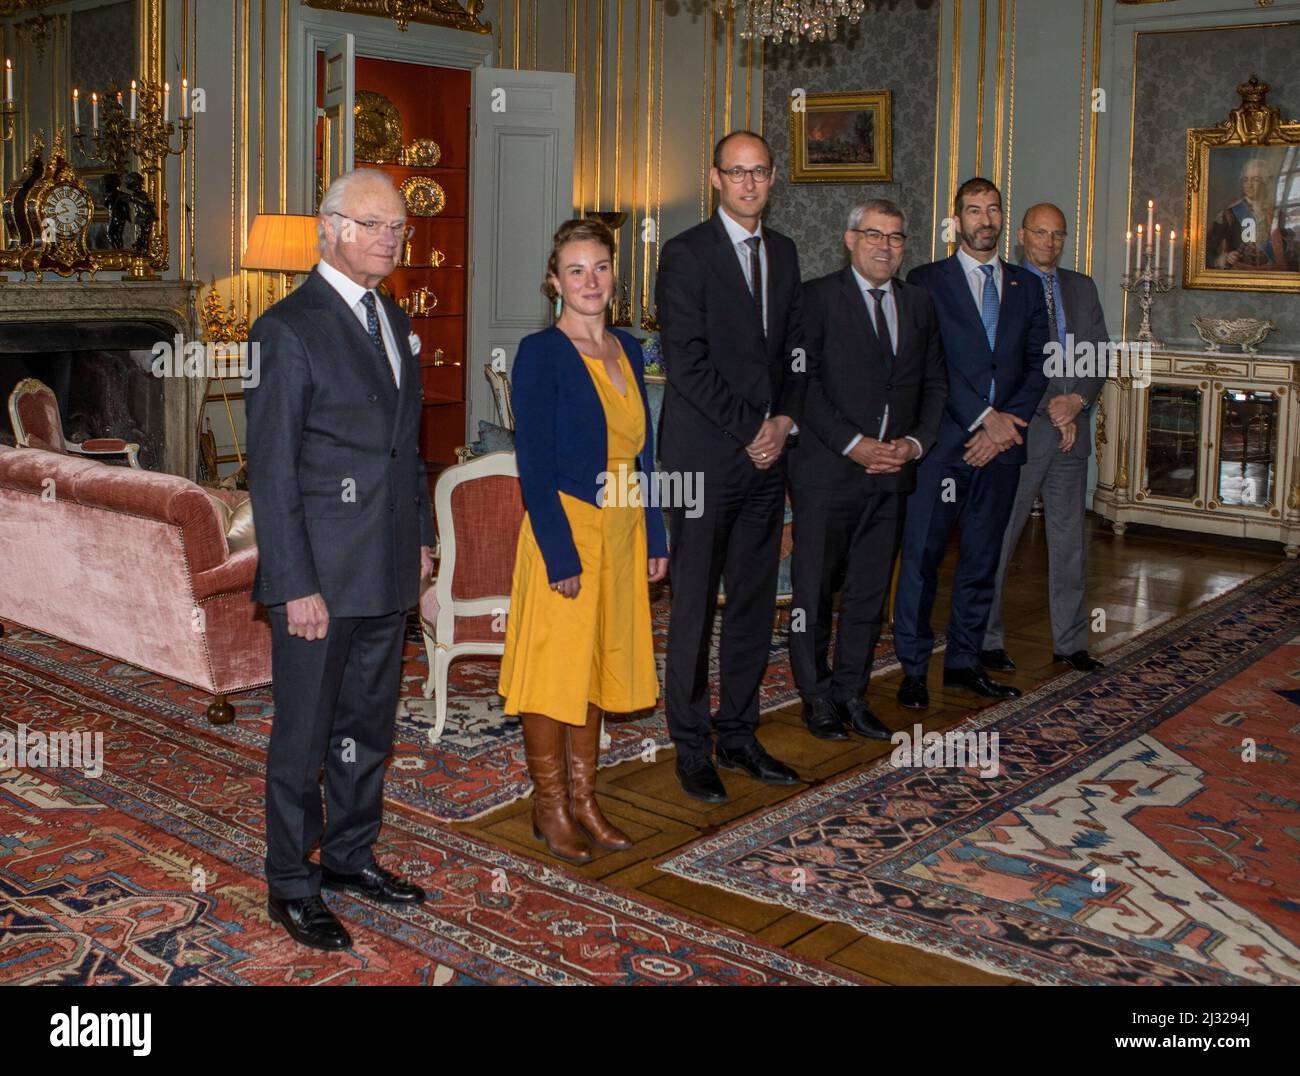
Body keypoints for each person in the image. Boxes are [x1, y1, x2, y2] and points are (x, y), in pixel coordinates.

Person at [246, 169, 435, 951]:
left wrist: (422, 536)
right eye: (376, 224)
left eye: (399, 228)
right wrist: (293, 585)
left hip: (387, 567)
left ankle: (351, 857)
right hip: (319, 580)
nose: (392, 238)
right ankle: (291, 883)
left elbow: (407, 448)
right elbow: (271, 467)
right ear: (331, 229)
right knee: (304, 736)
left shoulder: (391, 316)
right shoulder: (285, 328)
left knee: (368, 726)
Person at [499, 218, 669, 863]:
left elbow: (643, 451)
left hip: (625, 529)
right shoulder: (541, 352)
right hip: (566, 527)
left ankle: (585, 799)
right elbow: (533, 464)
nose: (590, 280)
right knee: (554, 671)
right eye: (576, 270)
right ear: (554, 281)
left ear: (613, 274)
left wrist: (656, 532)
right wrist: (560, 553)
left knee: (597, 664)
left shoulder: (629, 344)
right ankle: (549, 806)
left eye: (600, 267)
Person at [655, 130, 805, 803]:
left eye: (760, 172)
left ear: (773, 179)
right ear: (714, 178)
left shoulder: (785, 253)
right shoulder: (686, 255)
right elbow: (685, 364)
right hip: (702, 460)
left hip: (765, 461)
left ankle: (739, 733)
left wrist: (783, 423)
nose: (748, 183)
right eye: (735, 172)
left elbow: (797, 356)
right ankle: (691, 747)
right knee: (693, 608)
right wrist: (751, 428)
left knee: (750, 603)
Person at [788, 198, 947, 740]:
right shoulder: (814, 299)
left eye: (896, 237)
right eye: (874, 234)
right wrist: (852, 443)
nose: (885, 246)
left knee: (867, 592)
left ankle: (851, 693)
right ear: (850, 239)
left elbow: (935, 385)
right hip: (827, 472)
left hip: (892, 475)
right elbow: (802, 385)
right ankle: (815, 696)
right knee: (814, 592)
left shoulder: (920, 304)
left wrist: (916, 444)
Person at [893, 177, 1049, 710]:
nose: (985, 219)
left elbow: (1039, 362)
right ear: (956, 221)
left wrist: (1006, 425)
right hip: (944, 445)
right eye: (974, 210)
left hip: (1003, 449)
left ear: (1004, 218)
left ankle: (963, 663)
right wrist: (983, 418)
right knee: (922, 559)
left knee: (982, 559)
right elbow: (928, 364)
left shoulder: (1027, 288)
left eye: (994, 209)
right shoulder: (925, 281)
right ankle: (912, 668)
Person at [981, 203, 1109, 676]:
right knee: (1001, 537)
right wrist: (1052, 408)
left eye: (1058, 235)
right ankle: (986, 639)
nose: (1050, 243)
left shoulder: (1081, 286)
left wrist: (1075, 401)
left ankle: (1071, 643)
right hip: (1022, 432)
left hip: (1070, 431)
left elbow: (1098, 354)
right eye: (1041, 233)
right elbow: (1005, 363)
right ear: (1021, 234)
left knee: (1069, 540)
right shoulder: (1006, 285)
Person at [1209, 155, 1294, 271]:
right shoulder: (1229, 215)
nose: (1249, 185)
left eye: (1255, 179)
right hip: (1239, 279)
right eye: (1245, 179)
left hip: (1272, 279)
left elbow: (1289, 255)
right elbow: (1206, 252)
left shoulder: (1278, 215)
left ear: (1265, 182)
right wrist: (1225, 257)